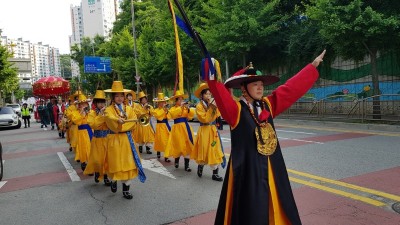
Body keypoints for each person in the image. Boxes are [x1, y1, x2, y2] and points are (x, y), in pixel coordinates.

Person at [206, 50, 326, 225]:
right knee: (251, 211)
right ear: (244, 88)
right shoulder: (236, 110)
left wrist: (312, 67)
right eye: (255, 84)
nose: (260, 87)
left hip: (272, 166)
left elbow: (290, 90)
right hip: (248, 170)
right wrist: (210, 77)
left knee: (277, 203)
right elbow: (220, 94)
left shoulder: (268, 104)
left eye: (261, 84)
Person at [104, 81, 146, 200]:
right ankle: (113, 180)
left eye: (121, 95)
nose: (119, 98)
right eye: (116, 96)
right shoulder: (109, 109)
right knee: (115, 163)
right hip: (114, 139)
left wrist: (123, 125)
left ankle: (126, 190)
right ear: (113, 97)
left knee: (129, 163)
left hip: (127, 139)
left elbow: (133, 123)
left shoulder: (129, 109)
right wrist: (117, 121)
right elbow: (108, 118)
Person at [191, 83, 225, 181]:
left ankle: (215, 173)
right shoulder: (199, 106)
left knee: (215, 149)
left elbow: (218, 114)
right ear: (202, 95)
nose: (209, 96)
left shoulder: (212, 104)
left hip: (213, 130)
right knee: (204, 150)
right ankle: (201, 166)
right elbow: (204, 119)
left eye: (210, 94)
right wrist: (211, 107)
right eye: (206, 94)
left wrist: (216, 106)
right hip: (204, 131)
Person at [84, 90, 111, 186]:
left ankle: (105, 177)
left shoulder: (109, 112)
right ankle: (97, 172)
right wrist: (100, 116)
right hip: (97, 140)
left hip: (107, 139)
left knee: (107, 160)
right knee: (98, 160)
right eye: (99, 102)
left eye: (103, 102)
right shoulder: (92, 113)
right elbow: (93, 125)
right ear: (95, 103)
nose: (101, 104)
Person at [164, 90, 195, 172]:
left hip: (186, 128)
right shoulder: (173, 108)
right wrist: (181, 107)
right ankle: (176, 161)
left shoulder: (185, 108)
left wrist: (188, 109)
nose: (181, 101)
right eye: (179, 100)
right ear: (176, 101)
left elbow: (190, 117)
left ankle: (187, 166)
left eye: (182, 99)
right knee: (178, 145)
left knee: (187, 145)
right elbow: (172, 116)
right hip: (177, 129)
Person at [71, 94, 92, 171]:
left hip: (91, 131)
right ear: (78, 105)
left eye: (85, 103)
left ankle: (90, 164)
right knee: (84, 148)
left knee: (91, 148)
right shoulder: (75, 113)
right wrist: (81, 114)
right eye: (82, 104)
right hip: (82, 132)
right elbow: (76, 121)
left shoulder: (91, 112)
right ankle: (85, 162)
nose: (84, 105)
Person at [151, 92, 171, 162]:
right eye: (161, 102)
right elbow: (159, 117)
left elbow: (169, 118)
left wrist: (167, 111)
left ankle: (166, 156)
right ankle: (158, 152)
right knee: (160, 140)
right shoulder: (155, 110)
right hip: (160, 126)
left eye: (163, 102)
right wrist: (164, 110)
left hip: (166, 126)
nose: (163, 103)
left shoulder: (166, 110)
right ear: (158, 103)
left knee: (167, 140)